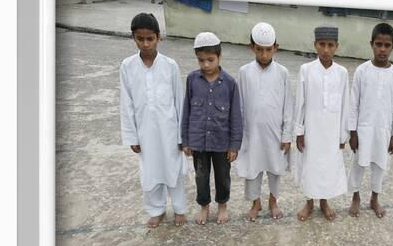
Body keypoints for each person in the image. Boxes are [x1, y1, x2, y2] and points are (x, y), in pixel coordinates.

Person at [119, 12, 188, 228]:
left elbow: (179, 100)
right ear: (133, 38)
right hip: (144, 130)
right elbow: (126, 102)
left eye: (150, 38)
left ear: (159, 37)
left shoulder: (170, 65)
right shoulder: (127, 66)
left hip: (169, 129)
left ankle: (179, 208)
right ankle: (156, 210)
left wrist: (181, 135)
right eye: (140, 39)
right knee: (150, 171)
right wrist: (131, 135)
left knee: (173, 169)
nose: (146, 43)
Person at [181, 32, 243, 225]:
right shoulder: (192, 80)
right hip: (198, 141)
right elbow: (187, 111)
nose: (206, 65)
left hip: (221, 142)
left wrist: (234, 145)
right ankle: (204, 206)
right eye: (201, 61)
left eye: (210, 60)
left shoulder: (230, 84)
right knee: (201, 176)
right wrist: (186, 141)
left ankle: (222, 205)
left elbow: (235, 116)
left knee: (223, 176)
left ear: (219, 56)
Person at [236, 22, 293, 221]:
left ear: (275, 47)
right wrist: (239, 134)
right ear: (251, 47)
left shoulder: (283, 73)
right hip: (251, 132)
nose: (263, 54)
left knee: (275, 168)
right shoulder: (244, 72)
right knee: (253, 169)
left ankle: (273, 201)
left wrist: (287, 135)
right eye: (259, 49)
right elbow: (240, 104)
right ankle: (256, 203)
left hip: (275, 132)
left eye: (268, 49)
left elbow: (288, 106)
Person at [347, 22, 393, 218]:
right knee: (358, 165)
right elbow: (353, 103)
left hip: (383, 130)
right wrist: (352, 132)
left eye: (387, 45)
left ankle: (374, 198)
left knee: (380, 165)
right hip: (362, 129)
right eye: (379, 44)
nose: (382, 49)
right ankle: (356, 197)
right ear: (371, 44)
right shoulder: (362, 71)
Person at [293, 25, 350, 221]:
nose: (326, 49)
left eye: (330, 45)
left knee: (327, 166)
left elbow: (345, 105)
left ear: (337, 47)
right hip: (312, 129)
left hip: (332, 131)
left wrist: (343, 135)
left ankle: (324, 202)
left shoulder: (342, 73)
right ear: (315, 45)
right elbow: (300, 102)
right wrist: (299, 131)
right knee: (310, 165)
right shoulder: (306, 70)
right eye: (322, 44)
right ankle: (309, 203)